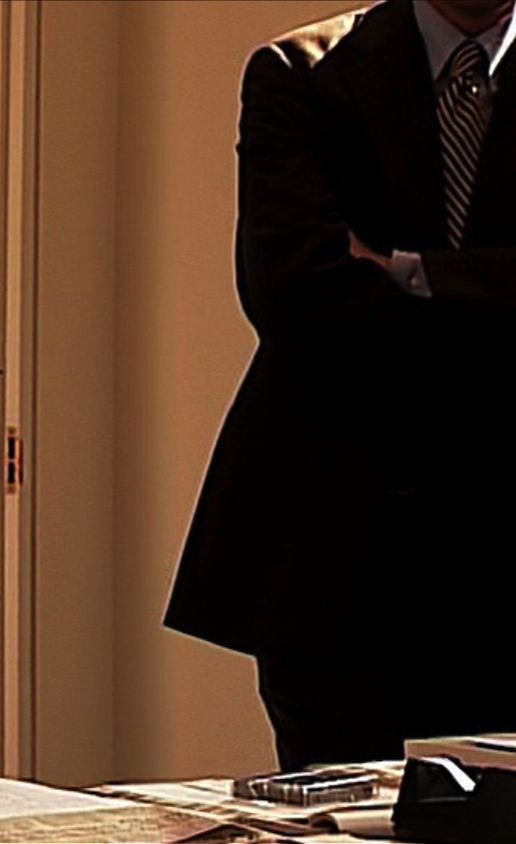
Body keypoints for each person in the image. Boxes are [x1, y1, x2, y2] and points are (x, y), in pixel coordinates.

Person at [167, 0, 515, 771]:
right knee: (337, 813)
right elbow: (295, 293)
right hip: (336, 558)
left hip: (504, 554)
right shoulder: (301, 73)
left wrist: (409, 271)